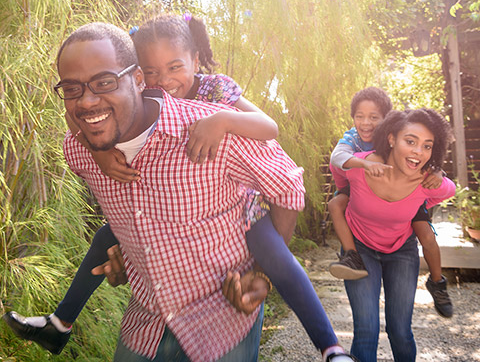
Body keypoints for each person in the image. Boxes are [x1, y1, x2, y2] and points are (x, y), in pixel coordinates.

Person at [3, 18, 353, 362]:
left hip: (226, 310)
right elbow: (78, 118)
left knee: (276, 257)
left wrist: (259, 272)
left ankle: (331, 348)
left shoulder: (213, 111)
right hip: (145, 327)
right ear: (143, 73)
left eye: (105, 82)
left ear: (134, 79)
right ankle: (60, 323)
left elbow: (283, 170)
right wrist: (97, 150)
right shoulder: (84, 147)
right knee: (105, 238)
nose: (88, 101)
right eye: (73, 89)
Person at [330, 108, 456, 362]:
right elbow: (339, 171)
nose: (418, 152)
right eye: (410, 141)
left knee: (400, 331)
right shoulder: (360, 167)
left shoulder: (427, 182)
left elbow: (448, 190)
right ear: (391, 139)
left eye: (427, 146)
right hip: (360, 248)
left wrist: (435, 175)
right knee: (366, 330)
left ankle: (437, 282)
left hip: (401, 251)